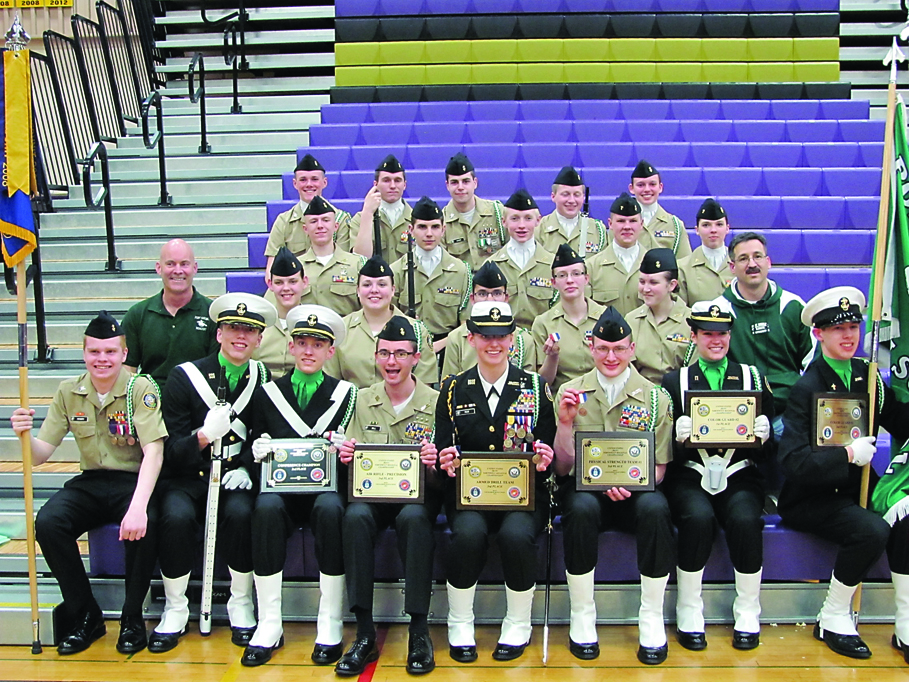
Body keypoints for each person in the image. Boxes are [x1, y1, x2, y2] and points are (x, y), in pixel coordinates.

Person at [11, 312, 166, 655]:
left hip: (132, 480)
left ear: (124, 354)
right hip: (91, 481)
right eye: (95, 352)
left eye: (110, 352)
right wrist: (23, 433)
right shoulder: (69, 391)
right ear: (84, 353)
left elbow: (154, 452)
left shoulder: (140, 389)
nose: (102, 359)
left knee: (146, 524)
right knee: (49, 523)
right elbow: (40, 455)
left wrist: (139, 507)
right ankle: (86, 615)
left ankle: (132, 619)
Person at [779, 287, 909, 659]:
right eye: (838, 329)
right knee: (872, 530)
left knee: (907, 518)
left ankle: (905, 624)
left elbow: (899, 421)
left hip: (855, 490)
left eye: (854, 326)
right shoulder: (807, 387)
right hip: (812, 497)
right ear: (819, 334)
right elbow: (793, 461)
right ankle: (833, 615)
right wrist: (848, 455)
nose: (849, 335)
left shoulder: (867, 377)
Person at [150, 293, 276, 653]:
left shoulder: (262, 377)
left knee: (241, 512)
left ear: (259, 339)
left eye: (249, 331)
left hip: (235, 475)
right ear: (219, 333)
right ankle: (175, 608)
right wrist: (204, 435)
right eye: (233, 328)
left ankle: (241, 603)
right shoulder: (184, 377)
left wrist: (251, 468)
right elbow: (172, 451)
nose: (241, 336)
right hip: (188, 477)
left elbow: (263, 434)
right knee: (175, 516)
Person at [552, 306, 675, 665]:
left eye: (619, 348)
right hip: (585, 490)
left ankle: (651, 616)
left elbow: (661, 468)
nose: (610, 356)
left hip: (636, 491)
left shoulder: (655, 398)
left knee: (656, 509)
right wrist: (564, 424)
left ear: (632, 349)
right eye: (603, 348)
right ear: (591, 347)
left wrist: (627, 483)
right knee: (579, 508)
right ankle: (582, 613)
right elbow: (561, 467)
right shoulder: (571, 392)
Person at [436, 301, 556, 663]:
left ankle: (518, 622)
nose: (494, 344)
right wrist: (445, 459)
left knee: (516, 535)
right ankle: (460, 620)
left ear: (512, 339)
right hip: (469, 496)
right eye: (485, 336)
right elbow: (444, 447)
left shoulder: (534, 386)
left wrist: (545, 459)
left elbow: (546, 450)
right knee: (469, 533)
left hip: (522, 497)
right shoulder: (454, 389)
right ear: (470, 338)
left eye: (501, 336)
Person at [241, 305, 357, 667]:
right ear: (290, 347)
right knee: (265, 508)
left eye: (318, 344)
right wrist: (255, 454)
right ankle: (270, 622)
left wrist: (346, 449)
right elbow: (250, 442)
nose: (309, 351)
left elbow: (358, 447)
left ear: (330, 351)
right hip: (283, 491)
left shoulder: (347, 394)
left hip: (326, 489)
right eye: (302, 342)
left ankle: (330, 621)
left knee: (330, 508)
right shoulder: (266, 393)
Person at [661, 298, 774, 651]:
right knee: (697, 517)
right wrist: (677, 440)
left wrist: (765, 434)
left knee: (744, 518)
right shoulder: (674, 381)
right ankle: (689, 607)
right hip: (691, 474)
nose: (716, 340)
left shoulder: (752, 377)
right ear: (693, 335)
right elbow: (666, 453)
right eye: (707, 333)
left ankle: (747, 609)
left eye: (722, 334)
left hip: (739, 472)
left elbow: (769, 451)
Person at [336, 316, 441, 675]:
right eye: (385, 353)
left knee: (414, 519)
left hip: (418, 498)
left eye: (400, 353)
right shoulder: (362, 399)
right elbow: (351, 459)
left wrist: (434, 463)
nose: (392, 361)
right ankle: (364, 632)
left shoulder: (437, 402)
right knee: (354, 517)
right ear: (375, 357)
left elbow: (444, 472)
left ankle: (419, 630)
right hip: (373, 496)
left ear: (416, 358)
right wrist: (347, 456)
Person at [723, 231, 816, 423]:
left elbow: (813, 364)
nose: (752, 264)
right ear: (732, 267)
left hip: (789, 413)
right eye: (743, 259)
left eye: (758, 256)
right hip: (738, 414)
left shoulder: (793, 306)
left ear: (768, 262)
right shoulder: (720, 311)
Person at [326, 255, 437, 388]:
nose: (374, 290)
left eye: (382, 284)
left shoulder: (417, 331)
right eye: (367, 284)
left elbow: (424, 388)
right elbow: (331, 383)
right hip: (354, 406)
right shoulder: (341, 329)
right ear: (358, 291)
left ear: (393, 290)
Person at [121, 239, 217, 391]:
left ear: (195, 268)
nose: (178, 270)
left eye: (184, 264)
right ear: (159, 268)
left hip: (198, 403)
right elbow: (127, 370)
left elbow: (217, 372)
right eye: (170, 264)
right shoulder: (137, 315)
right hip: (151, 404)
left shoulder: (213, 314)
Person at [391, 196, 471, 353]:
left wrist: (436, 347)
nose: (429, 234)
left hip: (449, 349)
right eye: (422, 227)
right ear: (410, 230)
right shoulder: (397, 271)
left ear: (443, 229)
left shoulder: (461, 271)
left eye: (435, 227)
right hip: (406, 349)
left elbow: (465, 324)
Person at [263, 154, 351, 282]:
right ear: (295, 183)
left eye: (314, 179)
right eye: (303, 180)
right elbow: (272, 270)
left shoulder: (341, 219)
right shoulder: (283, 221)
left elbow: (344, 264)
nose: (309, 184)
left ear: (324, 182)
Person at [441, 261, 538, 378]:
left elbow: (528, 386)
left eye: (497, 293)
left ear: (506, 297)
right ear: (472, 298)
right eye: (482, 294)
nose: (490, 299)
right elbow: (450, 386)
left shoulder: (523, 339)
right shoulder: (456, 338)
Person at [532, 243, 606, 392]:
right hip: (562, 399)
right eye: (562, 275)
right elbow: (544, 382)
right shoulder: (544, 323)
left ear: (586, 279)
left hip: (601, 398)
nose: (570, 280)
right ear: (553, 283)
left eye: (576, 274)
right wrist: (552, 357)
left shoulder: (605, 317)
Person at [484, 189, 556, 329]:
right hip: (504, 340)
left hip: (542, 340)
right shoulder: (492, 266)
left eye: (528, 218)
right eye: (515, 218)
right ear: (504, 221)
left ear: (538, 221)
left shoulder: (553, 265)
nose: (521, 225)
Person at [627, 248, 691, 383]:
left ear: (672, 285)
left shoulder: (690, 321)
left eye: (654, 282)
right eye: (642, 282)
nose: (646, 289)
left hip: (679, 393)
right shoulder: (632, 320)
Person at [295, 196, 366, 318]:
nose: (320, 226)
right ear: (305, 229)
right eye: (313, 221)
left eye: (326, 220)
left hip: (346, 333)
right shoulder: (296, 267)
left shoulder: (358, 264)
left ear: (336, 226)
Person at [441, 152, 507, 270]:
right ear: (447, 185)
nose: (460, 187)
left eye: (465, 181)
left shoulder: (496, 212)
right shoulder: (441, 221)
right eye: (454, 182)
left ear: (475, 183)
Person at [587, 193, 647, 315]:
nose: (627, 227)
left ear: (641, 224)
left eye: (633, 221)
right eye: (621, 221)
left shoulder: (654, 266)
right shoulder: (591, 267)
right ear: (610, 224)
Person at [349, 154, 413, 263]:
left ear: (405, 185)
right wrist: (368, 214)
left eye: (397, 180)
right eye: (386, 180)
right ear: (376, 184)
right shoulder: (360, 219)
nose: (392, 186)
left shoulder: (416, 219)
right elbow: (360, 260)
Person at [535, 166, 607, 258]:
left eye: (577, 195)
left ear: (583, 197)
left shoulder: (597, 229)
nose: (571, 200)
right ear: (553, 196)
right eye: (565, 195)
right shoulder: (539, 229)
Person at [254, 247, 304, 378]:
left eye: (293, 281)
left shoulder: (314, 324)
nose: (286, 288)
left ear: (304, 282)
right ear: (270, 284)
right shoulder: (257, 325)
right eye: (279, 282)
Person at [628, 159, 692, 258]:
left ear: (660, 187)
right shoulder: (621, 223)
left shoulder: (675, 225)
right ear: (631, 188)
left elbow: (685, 263)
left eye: (652, 184)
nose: (647, 189)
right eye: (641, 185)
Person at [677, 198, 733, 306]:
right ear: (697, 230)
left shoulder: (739, 263)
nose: (713, 230)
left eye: (719, 224)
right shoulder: (683, 268)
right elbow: (680, 311)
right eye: (706, 225)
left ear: (727, 228)